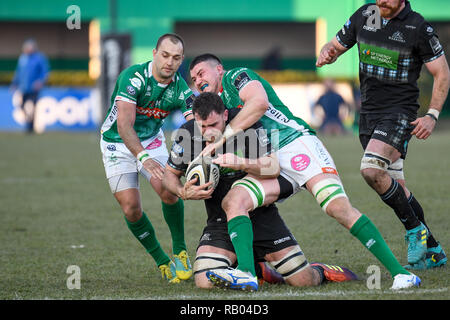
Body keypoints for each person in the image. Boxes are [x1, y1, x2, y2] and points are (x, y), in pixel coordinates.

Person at [188, 53, 420, 290]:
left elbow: (259, 103)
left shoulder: (235, 77)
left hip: (297, 145)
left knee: (338, 208)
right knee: (234, 200)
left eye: (201, 73)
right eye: (193, 77)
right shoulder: (217, 106)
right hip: (271, 159)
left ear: (219, 69)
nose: (197, 80)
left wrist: (220, 141)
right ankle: (247, 273)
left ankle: (401, 274)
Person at [163, 92, 358, 291]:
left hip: (261, 217)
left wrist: (240, 163)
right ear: (195, 120)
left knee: (304, 281)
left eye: (214, 125)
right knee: (204, 281)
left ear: (225, 116)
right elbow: (168, 175)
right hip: (220, 222)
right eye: (203, 127)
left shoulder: (246, 126)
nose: (209, 132)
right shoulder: (187, 134)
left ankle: (320, 270)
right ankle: (253, 269)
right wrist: (182, 191)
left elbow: (273, 168)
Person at [316, 0, 449, 269]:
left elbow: (442, 72)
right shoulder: (367, 14)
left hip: (400, 112)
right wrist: (329, 52)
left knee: (371, 169)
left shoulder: (417, 27)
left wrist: (432, 115)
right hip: (368, 114)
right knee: (395, 186)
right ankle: (433, 249)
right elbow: (334, 45)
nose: (381, 2)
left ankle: (415, 231)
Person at [99, 33, 196, 283]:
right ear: (154, 53)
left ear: (181, 60)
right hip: (116, 145)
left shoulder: (180, 88)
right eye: (165, 55)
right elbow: (124, 125)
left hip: (152, 141)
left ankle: (180, 251)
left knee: (169, 190)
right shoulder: (133, 78)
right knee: (131, 208)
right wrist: (143, 157)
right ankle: (162, 262)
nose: (169, 62)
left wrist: (199, 155)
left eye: (176, 58)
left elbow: (196, 123)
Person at [11, 38, 49, 134]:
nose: (27, 49)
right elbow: (18, 72)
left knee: (32, 107)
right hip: (24, 88)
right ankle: (28, 121)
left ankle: (30, 128)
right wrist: (14, 83)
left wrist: (40, 82)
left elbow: (45, 72)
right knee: (22, 106)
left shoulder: (39, 58)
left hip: (34, 88)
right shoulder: (23, 58)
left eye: (29, 47)